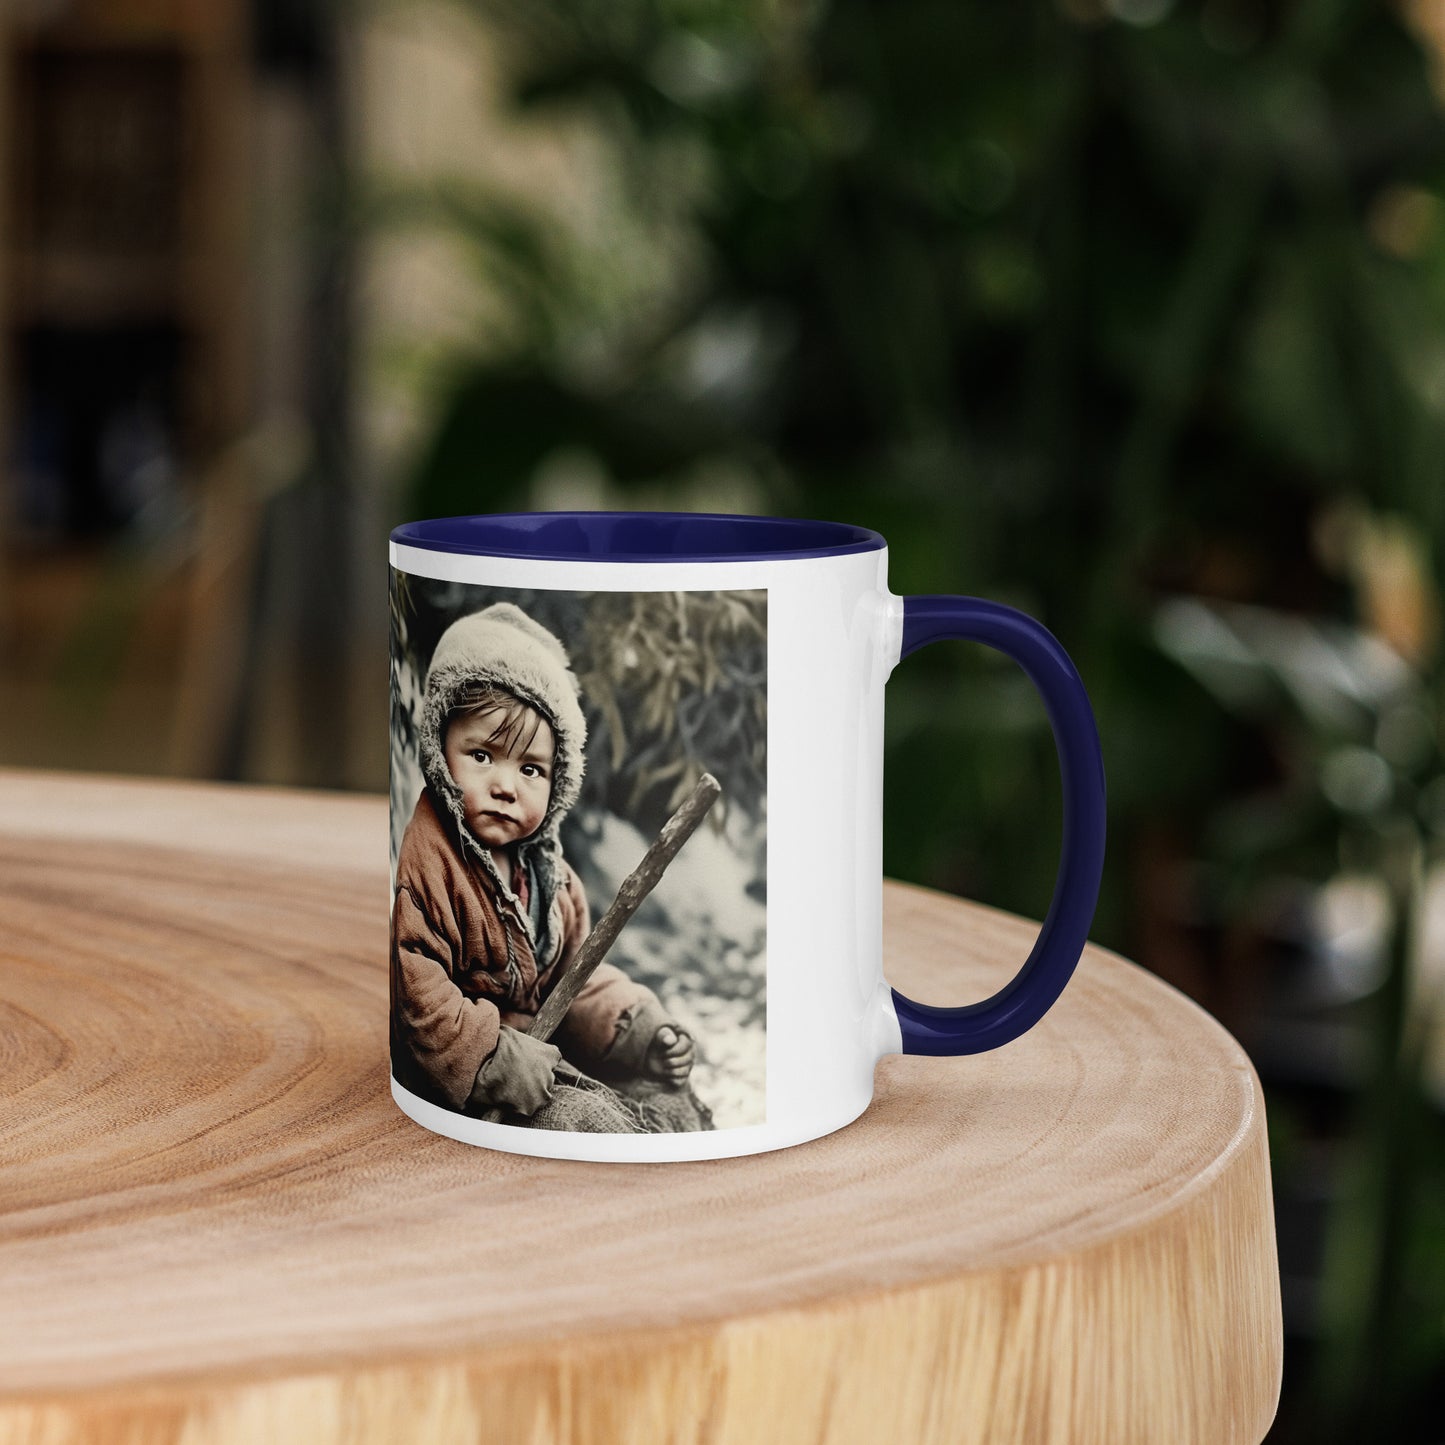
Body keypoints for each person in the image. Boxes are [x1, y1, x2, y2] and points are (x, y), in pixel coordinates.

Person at [390, 601, 712, 1133]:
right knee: (586, 1119)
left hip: (542, 1055)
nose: (506, 785)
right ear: (439, 746)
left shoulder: (550, 880)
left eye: (532, 768)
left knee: (669, 1099)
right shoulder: (431, 864)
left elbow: (571, 980)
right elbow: (418, 994)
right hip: (473, 1080)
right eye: (483, 756)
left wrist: (635, 1029)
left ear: (558, 783)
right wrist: (491, 1057)